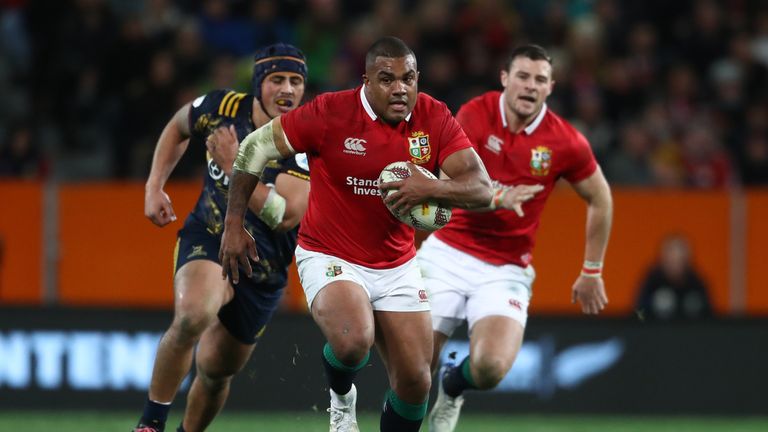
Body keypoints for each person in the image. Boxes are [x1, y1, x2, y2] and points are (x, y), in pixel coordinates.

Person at [219, 36, 541, 432]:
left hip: (397, 264)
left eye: (408, 78)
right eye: (387, 79)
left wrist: (433, 188)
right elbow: (254, 148)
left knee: (416, 382)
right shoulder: (329, 112)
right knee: (354, 342)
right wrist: (234, 224)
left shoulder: (433, 116)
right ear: (366, 80)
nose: (400, 88)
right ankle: (342, 399)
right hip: (329, 253)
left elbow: (480, 187)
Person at [419, 44, 613, 432]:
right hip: (448, 251)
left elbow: (601, 198)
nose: (530, 86)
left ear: (551, 87)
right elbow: (450, 186)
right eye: (522, 76)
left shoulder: (564, 141)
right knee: (415, 365)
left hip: (506, 267)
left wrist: (592, 269)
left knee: (491, 370)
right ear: (505, 78)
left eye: (540, 79)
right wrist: (497, 197)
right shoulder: (475, 113)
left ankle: (454, 384)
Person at [134, 43, 310, 432]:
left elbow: (284, 215)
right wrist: (154, 185)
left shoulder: (303, 139)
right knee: (192, 314)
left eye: (296, 81)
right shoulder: (222, 109)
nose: (287, 90)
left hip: (262, 266)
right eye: (277, 79)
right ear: (258, 83)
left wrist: (234, 167)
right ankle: (150, 424)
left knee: (215, 371)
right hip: (210, 235)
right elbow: (178, 126)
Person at [635, 234, 712, 321]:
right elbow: (638, 312)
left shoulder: (696, 283)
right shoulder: (652, 281)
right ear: (664, 259)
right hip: (656, 332)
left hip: (689, 332)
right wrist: (645, 324)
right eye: (672, 260)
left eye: (680, 260)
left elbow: (710, 315)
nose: (676, 265)